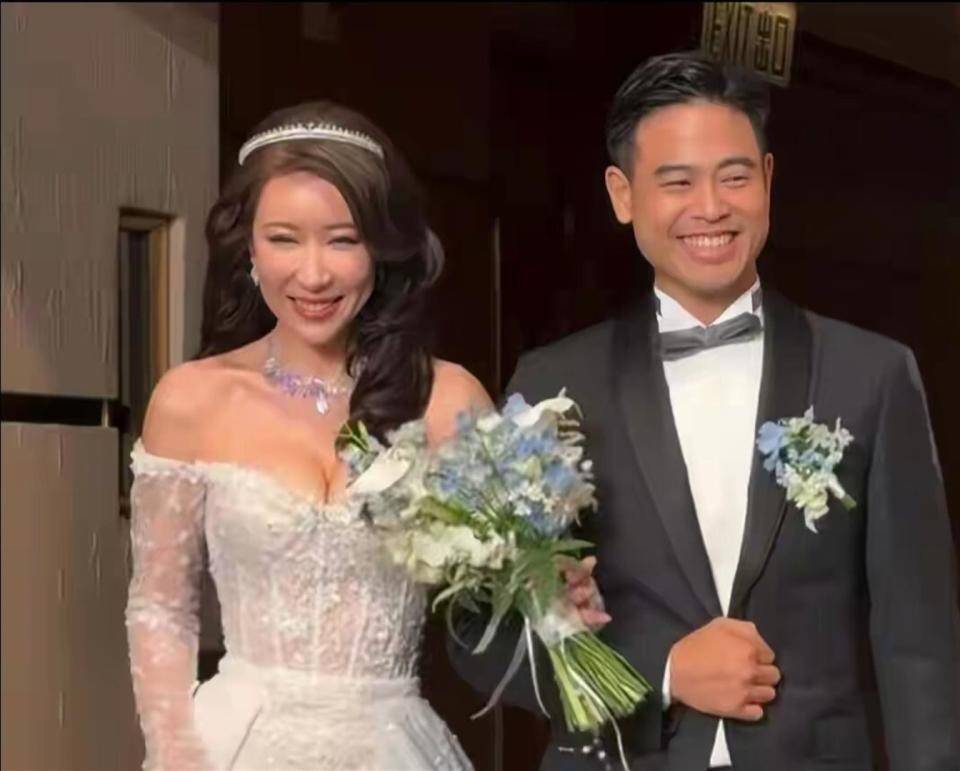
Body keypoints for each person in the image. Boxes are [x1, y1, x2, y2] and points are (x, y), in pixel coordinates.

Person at [451, 51, 960, 770]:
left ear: (769, 180)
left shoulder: (872, 375)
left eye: (735, 176)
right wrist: (660, 671)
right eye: (678, 182)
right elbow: (480, 630)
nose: (712, 207)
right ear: (622, 194)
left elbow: (919, 645)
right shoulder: (555, 384)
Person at [123, 100, 499, 770]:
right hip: (235, 745)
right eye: (284, 239)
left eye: (343, 240)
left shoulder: (450, 400)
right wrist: (173, 750)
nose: (314, 274)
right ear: (249, 247)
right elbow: (161, 606)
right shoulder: (191, 400)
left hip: (394, 744)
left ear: (381, 249)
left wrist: (553, 591)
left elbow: (497, 597)